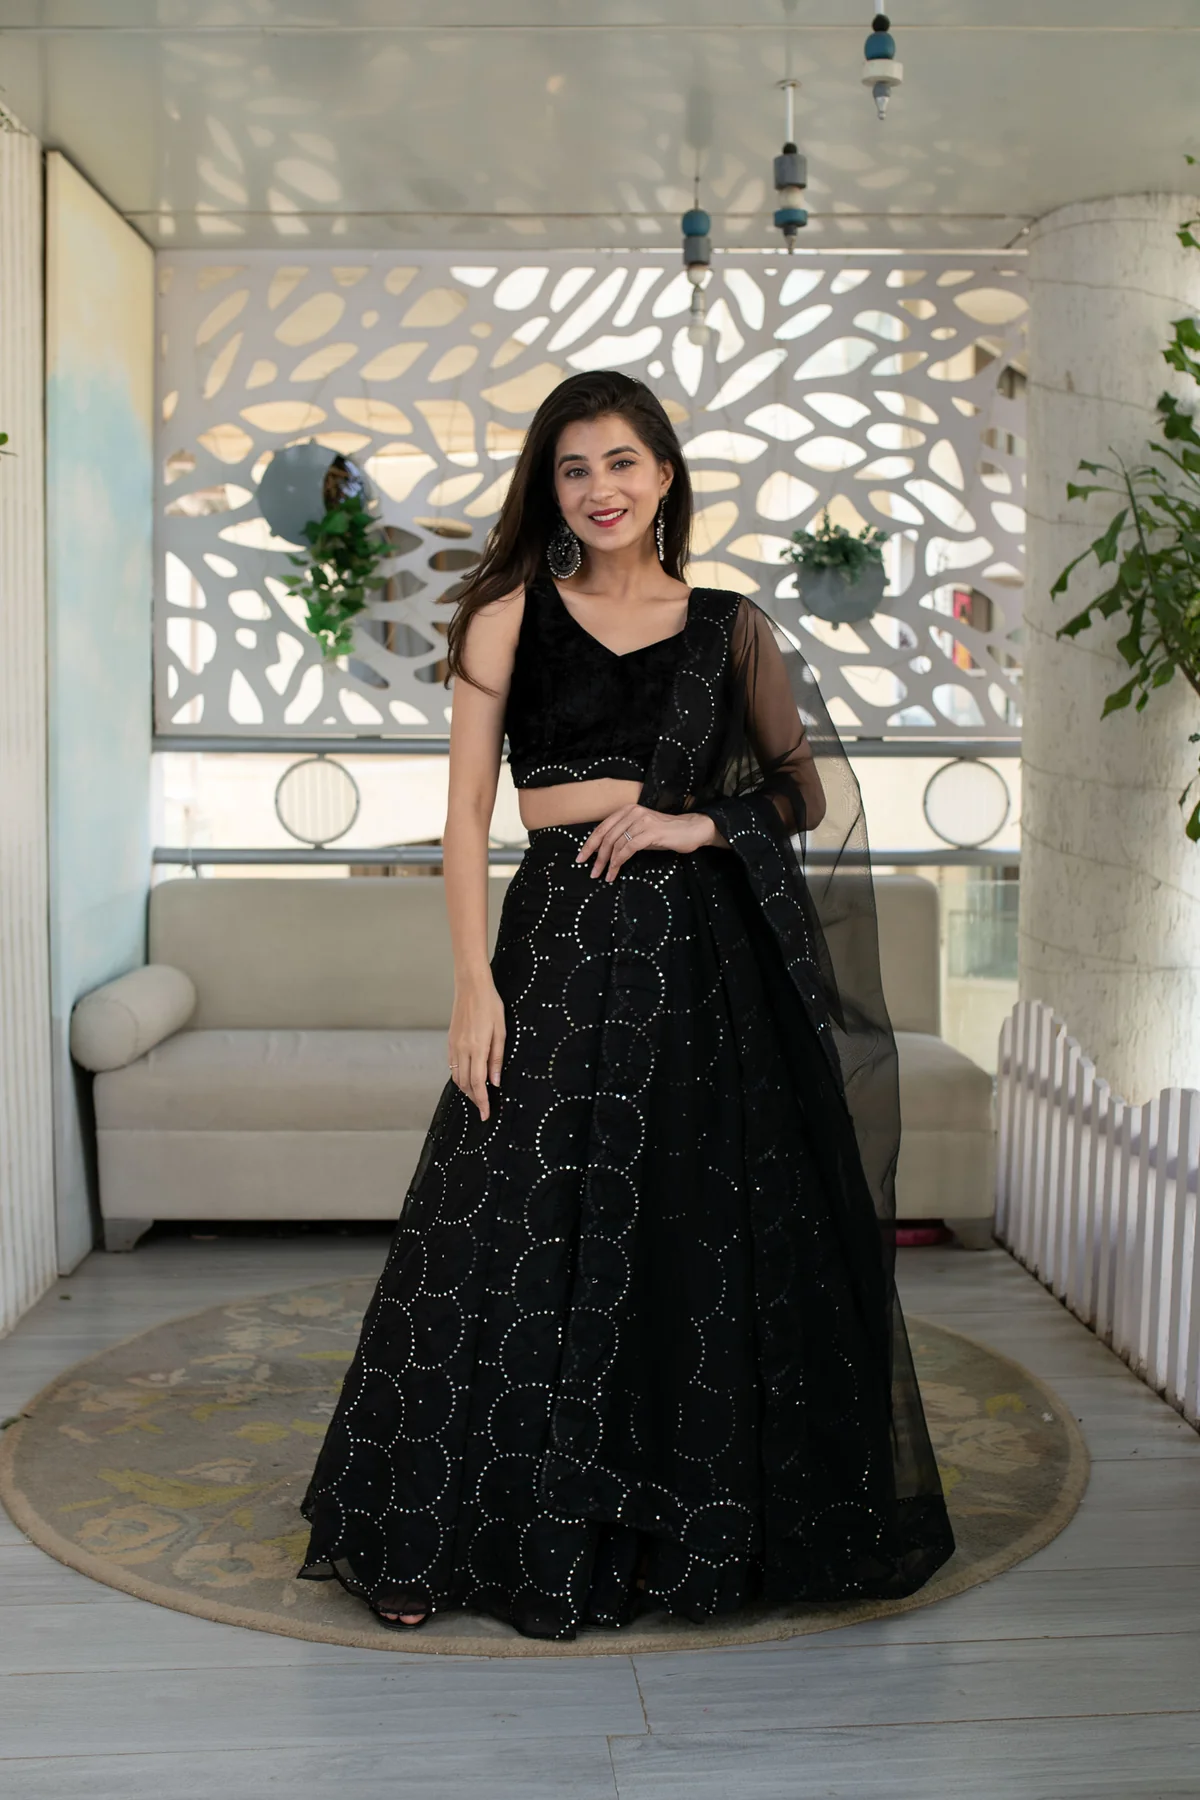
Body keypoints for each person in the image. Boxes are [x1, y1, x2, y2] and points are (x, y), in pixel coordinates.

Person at [297, 369, 955, 1639]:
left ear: (663, 476)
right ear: (549, 488)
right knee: (494, 1224)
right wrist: (472, 985)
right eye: (573, 468)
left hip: (703, 967)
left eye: (620, 463)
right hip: (553, 945)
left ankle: (674, 1535)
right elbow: (467, 816)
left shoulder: (729, 627)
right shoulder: (506, 614)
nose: (599, 489)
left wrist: (693, 822)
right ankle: (432, 1531)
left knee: (687, 1240)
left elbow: (803, 791)